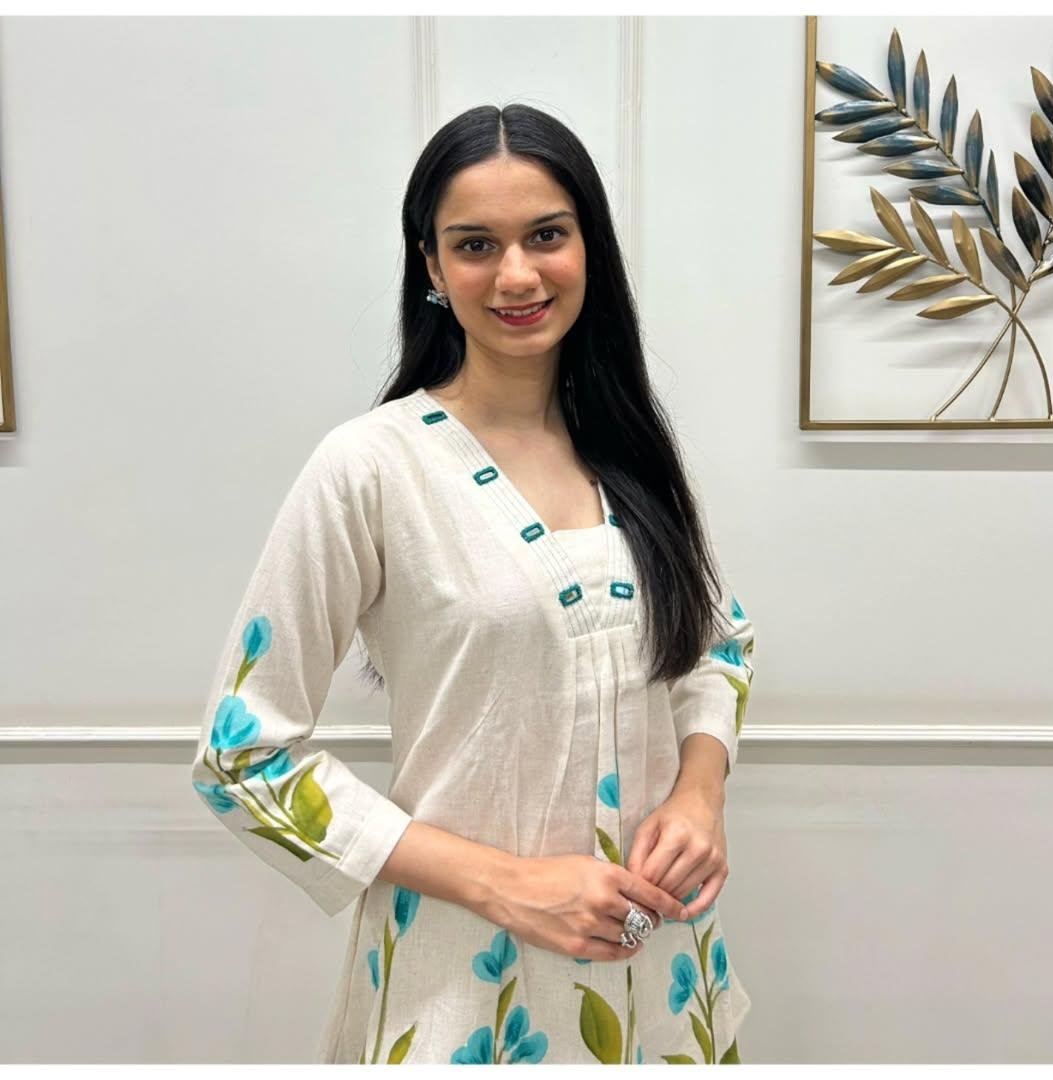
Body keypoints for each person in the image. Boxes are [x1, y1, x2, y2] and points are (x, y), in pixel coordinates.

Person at [191, 102, 755, 1066]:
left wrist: (700, 797)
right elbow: (240, 756)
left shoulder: (632, 453)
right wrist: (509, 886)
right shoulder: (372, 467)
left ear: (590, 247)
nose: (517, 275)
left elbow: (717, 643)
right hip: (462, 992)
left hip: (665, 983)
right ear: (431, 265)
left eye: (547, 235)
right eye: (476, 245)